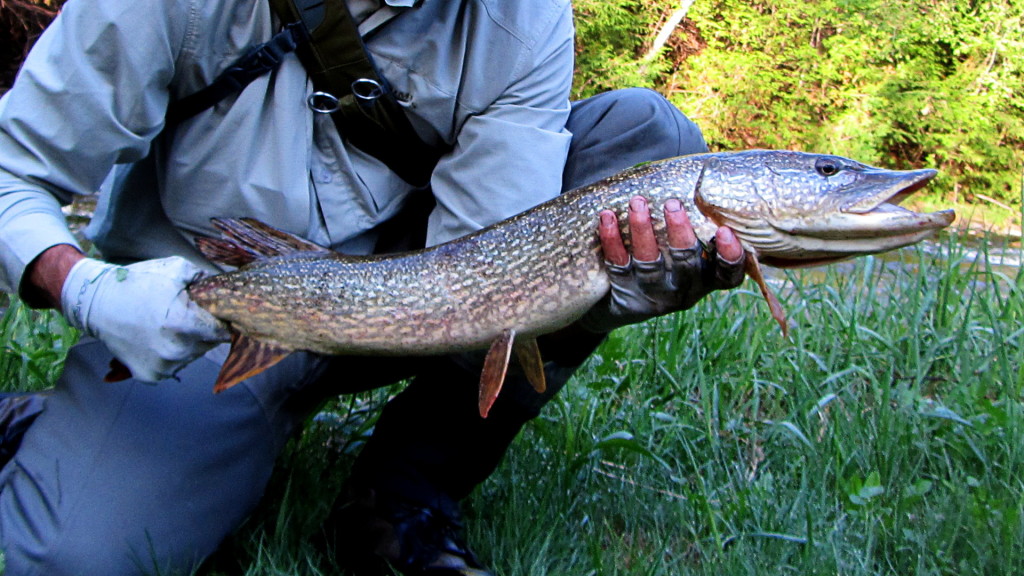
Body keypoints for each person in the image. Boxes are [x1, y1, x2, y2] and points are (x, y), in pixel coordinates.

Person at [0, 0, 745, 574]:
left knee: (646, 144)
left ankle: (402, 495)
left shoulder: (522, 16)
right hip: (208, 315)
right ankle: (63, 426)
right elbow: (10, 168)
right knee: (72, 556)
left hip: (420, 291)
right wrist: (83, 288)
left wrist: (606, 290)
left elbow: (494, 261)